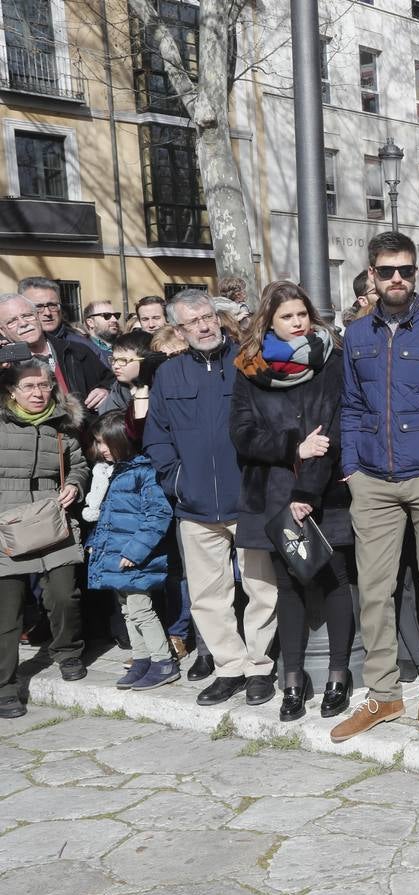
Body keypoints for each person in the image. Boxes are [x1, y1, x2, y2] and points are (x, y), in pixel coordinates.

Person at [332, 231, 419, 742]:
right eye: (387, 270)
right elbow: (349, 405)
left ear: (416, 274)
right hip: (371, 477)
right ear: (372, 273)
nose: (397, 278)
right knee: (374, 589)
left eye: (406, 270)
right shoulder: (358, 336)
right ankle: (384, 692)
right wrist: (350, 467)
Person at [143, 290, 280, 707]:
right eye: (191, 322)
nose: (202, 326)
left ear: (217, 317)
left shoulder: (247, 362)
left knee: (261, 588)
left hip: (249, 500)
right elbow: (157, 437)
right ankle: (229, 667)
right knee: (207, 595)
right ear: (178, 330)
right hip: (195, 506)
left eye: (207, 317)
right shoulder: (169, 375)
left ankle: (259, 667)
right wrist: (178, 482)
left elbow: (272, 420)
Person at [231, 280, 356, 722]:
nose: (297, 322)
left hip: (327, 490)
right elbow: (241, 434)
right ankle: (293, 679)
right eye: (287, 316)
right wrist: (291, 449)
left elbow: (338, 427)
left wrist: (309, 489)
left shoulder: (332, 360)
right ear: (270, 320)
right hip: (274, 490)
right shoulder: (250, 367)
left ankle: (338, 675)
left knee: (334, 578)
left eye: (302, 314)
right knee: (289, 585)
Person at [0, 357, 90, 717]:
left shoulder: (63, 425)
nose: (39, 393)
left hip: (53, 519)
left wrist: (74, 484)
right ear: (11, 390)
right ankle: (5, 687)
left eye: (44, 385)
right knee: (7, 613)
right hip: (6, 523)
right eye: (29, 386)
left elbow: (80, 464)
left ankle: (67, 652)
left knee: (64, 595)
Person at [85, 412, 178, 691]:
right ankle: (142, 658)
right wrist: (96, 543)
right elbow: (110, 516)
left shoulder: (145, 473)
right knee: (128, 610)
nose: (100, 449)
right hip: (117, 556)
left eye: (105, 442)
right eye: (98, 443)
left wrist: (135, 552)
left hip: (135, 559)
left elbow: (158, 515)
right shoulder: (121, 471)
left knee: (141, 609)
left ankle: (163, 661)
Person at [0, 293, 110, 410]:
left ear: (38, 316)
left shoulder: (77, 351)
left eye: (27, 316)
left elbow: (112, 380)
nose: (23, 323)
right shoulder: (5, 366)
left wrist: (106, 389)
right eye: (11, 321)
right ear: (2, 331)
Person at [82, 300, 122, 364]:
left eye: (116, 315)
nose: (114, 320)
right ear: (90, 322)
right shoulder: (82, 351)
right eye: (106, 316)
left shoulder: (126, 346)